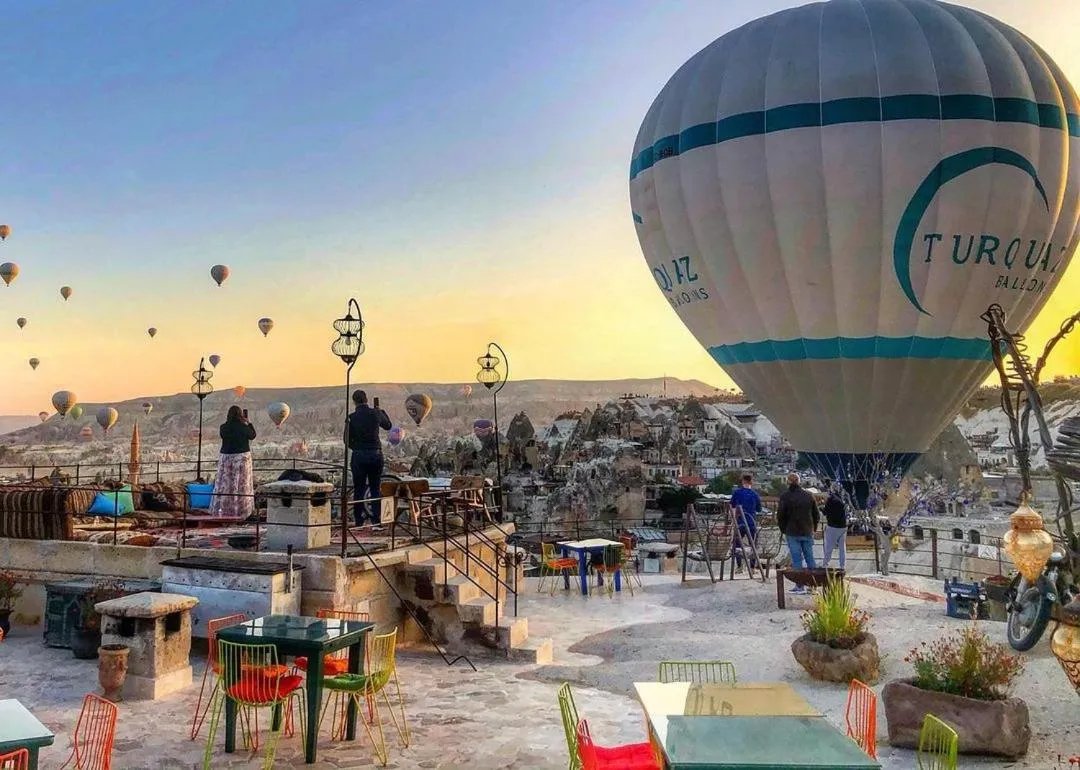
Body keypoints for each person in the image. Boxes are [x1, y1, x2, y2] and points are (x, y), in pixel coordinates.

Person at [347, 390, 392, 528]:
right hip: (375, 454)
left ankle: (359, 521)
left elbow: (346, 440)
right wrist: (380, 411)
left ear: (354, 402)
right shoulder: (375, 413)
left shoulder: (351, 417)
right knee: (375, 488)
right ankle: (376, 520)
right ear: (366, 399)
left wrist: (357, 448)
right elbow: (388, 426)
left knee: (359, 489)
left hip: (359, 455)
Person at [209, 405, 256, 519]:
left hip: (226, 457)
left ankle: (223, 508)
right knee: (241, 484)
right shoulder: (243, 427)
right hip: (241, 458)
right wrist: (249, 423)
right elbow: (252, 435)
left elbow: (223, 436)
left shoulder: (223, 427)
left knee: (225, 484)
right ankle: (242, 510)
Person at [777, 472, 820, 592]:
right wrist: (814, 527)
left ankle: (799, 585)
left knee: (797, 559)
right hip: (807, 530)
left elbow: (780, 515)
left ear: (788, 482)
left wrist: (783, 529)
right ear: (799, 481)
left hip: (791, 531)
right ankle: (813, 585)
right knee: (810, 558)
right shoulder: (809, 495)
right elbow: (816, 514)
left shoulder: (785, 496)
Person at [728, 474, 761, 568]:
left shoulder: (737, 493)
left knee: (737, 544)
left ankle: (739, 566)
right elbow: (759, 509)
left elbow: (732, 505)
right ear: (751, 482)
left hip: (740, 522)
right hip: (751, 522)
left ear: (743, 481)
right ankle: (752, 567)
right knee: (753, 545)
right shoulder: (755, 494)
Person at [822, 486, 848, 570]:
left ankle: (825, 564)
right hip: (843, 526)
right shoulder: (842, 500)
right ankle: (842, 566)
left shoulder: (830, 500)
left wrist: (821, 508)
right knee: (842, 547)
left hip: (833, 526)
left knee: (829, 546)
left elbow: (825, 512)